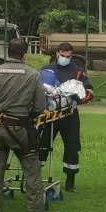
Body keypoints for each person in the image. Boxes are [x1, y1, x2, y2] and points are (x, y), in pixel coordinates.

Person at [0, 37, 53, 212]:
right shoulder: (32, 75)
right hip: (21, 130)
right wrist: (29, 118)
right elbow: (40, 106)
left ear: (8, 52)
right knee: (32, 172)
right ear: (25, 55)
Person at [39, 42, 93, 192]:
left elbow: (89, 91)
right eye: (62, 56)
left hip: (69, 114)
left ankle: (70, 182)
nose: (65, 58)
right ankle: (35, 179)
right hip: (49, 115)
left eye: (68, 56)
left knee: (72, 147)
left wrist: (81, 97)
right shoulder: (46, 70)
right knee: (42, 145)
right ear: (57, 54)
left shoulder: (77, 71)